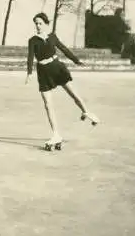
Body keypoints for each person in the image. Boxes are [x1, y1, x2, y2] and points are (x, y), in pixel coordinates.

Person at [25, 12, 99, 151]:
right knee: (48, 104)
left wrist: (76, 60)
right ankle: (56, 134)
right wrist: (29, 72)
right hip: (43, 72)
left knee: (73, 94)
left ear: (46, 24)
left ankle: (86, 112)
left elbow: (64, 49)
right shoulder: (33, 40)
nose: (38, 26)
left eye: (40, 23)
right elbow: (30, 57)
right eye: (36, 23)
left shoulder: (52, 37)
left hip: (57, 68)